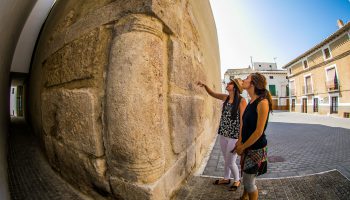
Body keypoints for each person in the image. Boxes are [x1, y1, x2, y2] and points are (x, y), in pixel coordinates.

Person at [197, 78, 247, 190]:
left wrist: (240, 139)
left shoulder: (242, 101)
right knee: (226, 159)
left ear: (234, 87)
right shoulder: (226, 97)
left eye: (230, 83)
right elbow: (212, 94)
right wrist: (205, 85)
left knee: (231, 161)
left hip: (234, 137)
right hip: (223, 134)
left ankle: (237, 180)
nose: (227, 84)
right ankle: (226, 178)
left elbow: (243, 121)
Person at [235, 72, 272, 200]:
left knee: (250, 183)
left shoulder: (263, 102)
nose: (244, 80)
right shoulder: (251, 101)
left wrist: (242, 146)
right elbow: (244, 125)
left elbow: (258, 132)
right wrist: (239, 142)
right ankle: (244, 197)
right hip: (247, 147)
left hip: (256, 148)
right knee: (245, 175)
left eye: (247, 78)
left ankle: (248, 195)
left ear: (253, 83)